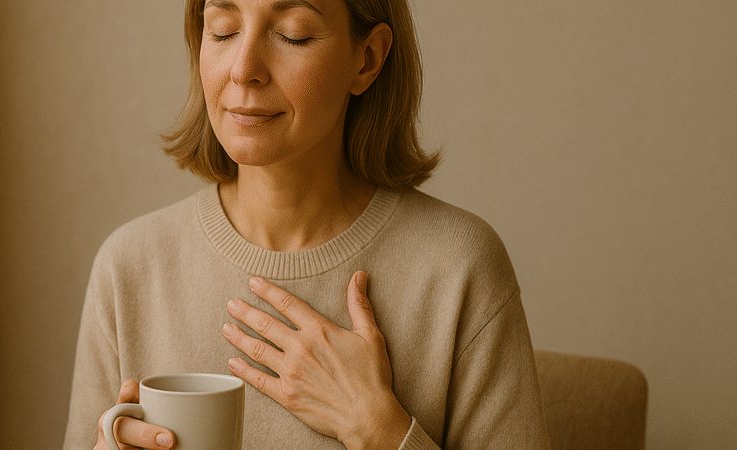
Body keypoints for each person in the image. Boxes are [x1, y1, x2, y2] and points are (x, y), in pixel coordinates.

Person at [64, 0, 550, 448]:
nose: (244, 70)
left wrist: (378, 427)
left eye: (292, 35)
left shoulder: (459, 267)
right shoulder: (128, 268)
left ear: (367, 60)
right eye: (223, 30)